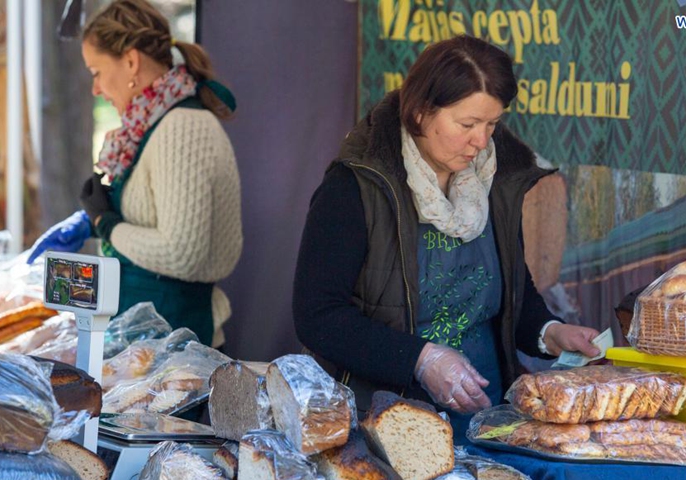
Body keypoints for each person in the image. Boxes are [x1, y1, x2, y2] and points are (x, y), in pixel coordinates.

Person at [293, 35, 600, 440]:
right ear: (421, 113)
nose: (482, 141)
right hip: (384, 424)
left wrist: (550, 332)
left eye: (492, 124)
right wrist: (421, 359)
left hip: (486, 421)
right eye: (468, 124)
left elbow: (511, 288)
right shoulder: (355, 188)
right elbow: (317, 315)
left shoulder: (494, 179)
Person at [27, 0, 242, 348]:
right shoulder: (155, 127)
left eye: (96, 72)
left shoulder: (182, 129)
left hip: (177, 347)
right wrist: (97, 216)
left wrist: (105, 223)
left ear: (130, 61)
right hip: (146, 341)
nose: (95, 89)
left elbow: (181, 252)